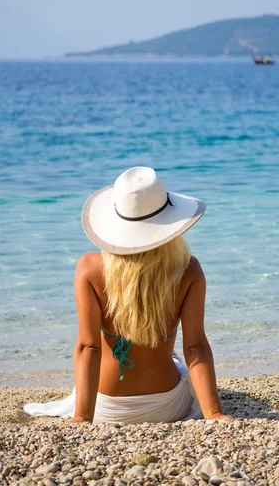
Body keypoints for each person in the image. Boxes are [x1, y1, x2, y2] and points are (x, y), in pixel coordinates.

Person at [24, 166, 232, 424]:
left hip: (104, 408)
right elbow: (195, 346)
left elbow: (88, 347)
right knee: (176, 357)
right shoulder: (189, 270)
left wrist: (82, 418)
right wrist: (213, 414)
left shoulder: (90, 268)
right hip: (167, 406)